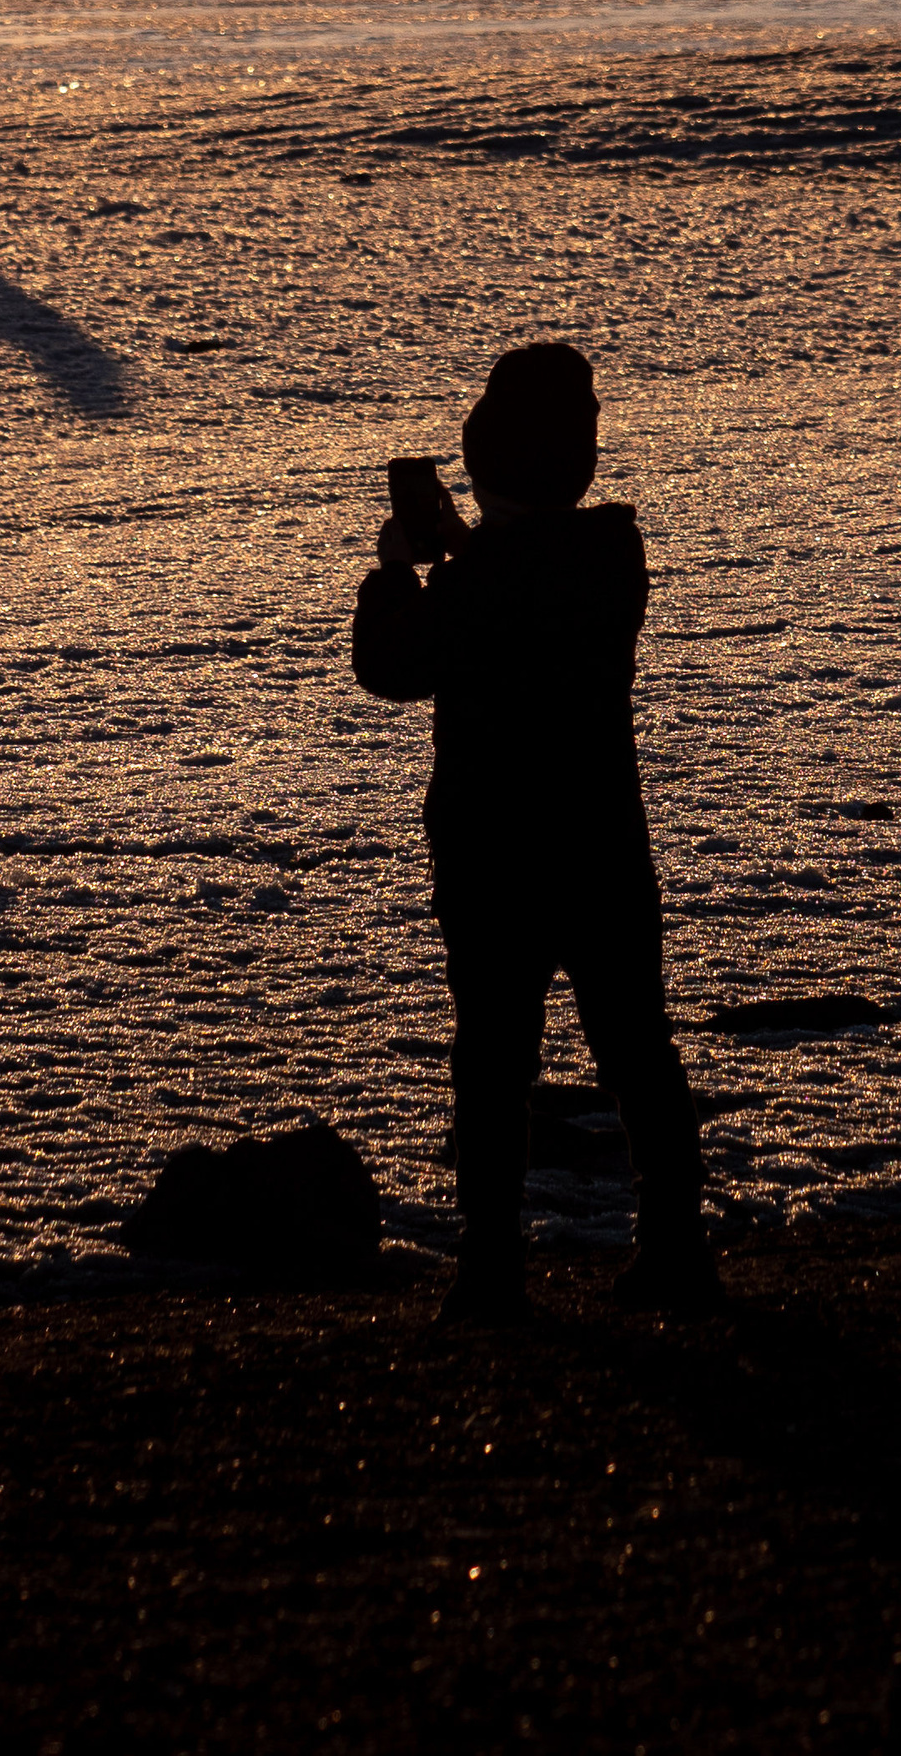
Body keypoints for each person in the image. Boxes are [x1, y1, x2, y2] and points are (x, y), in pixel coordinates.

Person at [350, 342, 714, 1324]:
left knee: (493, 1058)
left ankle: (492, 1265)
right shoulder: (609, 557)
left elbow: (391, 665)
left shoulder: (478, 582)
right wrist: (467, 549)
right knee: (637, 1044)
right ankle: (678, 1245)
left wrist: (395, 570)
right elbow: (525, 578)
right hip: (601, 838)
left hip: (494, 850)